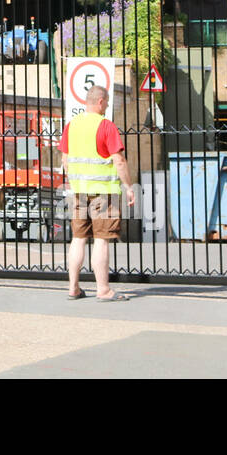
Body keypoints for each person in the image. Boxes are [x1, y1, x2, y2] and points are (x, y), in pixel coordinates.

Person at [60, 85, 135, 301]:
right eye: (108, 102)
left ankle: (73, 288)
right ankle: (103, 289)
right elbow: (119, 160)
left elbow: (65, 159)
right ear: (100, 101)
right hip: (104, 193)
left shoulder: (71, 126)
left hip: (79, 192)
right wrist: (129, 187)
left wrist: (74, 181)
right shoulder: (106, 126)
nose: (108, 106)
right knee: (101, 239)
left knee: (78, 238)